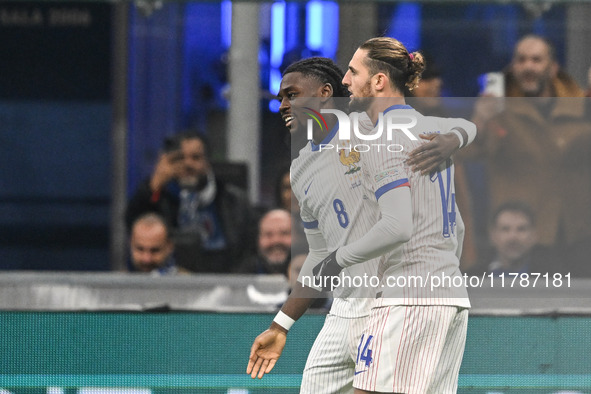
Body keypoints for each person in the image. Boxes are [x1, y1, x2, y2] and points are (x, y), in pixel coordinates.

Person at [247, 53, 476, 392]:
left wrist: (454, 137)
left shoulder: (374, 130)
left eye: (291, 95)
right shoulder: (300, 169)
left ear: (325, 92)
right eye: (280, 97)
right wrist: (281, 325)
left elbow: (462, 126)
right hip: (344, 307)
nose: (282, 104)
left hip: (388, 300)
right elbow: (318, 255)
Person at [313, 37, 472, 393]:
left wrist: (338, 259)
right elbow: (456, 226)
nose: (345, 81)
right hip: (450, 295)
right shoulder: (432, 131)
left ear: (380, 81)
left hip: (409, 296)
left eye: (354, 72)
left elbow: (397, 226)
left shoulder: (382, 138)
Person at [464, 34, 591, 277]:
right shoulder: (499, 110)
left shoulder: (578, 108)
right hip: (524, 235)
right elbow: (472, 151)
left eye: (536, 60)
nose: (528, 67)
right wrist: (481, 119)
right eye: (521, 60)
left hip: (577, 232)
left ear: (553, 68)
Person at [125, 130, 257, 273]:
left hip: (226, 282)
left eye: (195, 157)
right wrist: (154, 184)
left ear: (207, 161)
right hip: (169, 286)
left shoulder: (234, 200)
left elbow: (249, 252)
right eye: (180, 158)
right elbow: (134, 226)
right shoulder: (160, 198)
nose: (187, 164)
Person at [477, 201, 553, 276]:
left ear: (534, 236)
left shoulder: (554, 278)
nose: (513, 237)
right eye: (505, 229)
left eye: (521, 229)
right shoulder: (471, 278)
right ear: (493, 236)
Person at [237, 209, 292, 275]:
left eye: (284, 233)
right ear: (258, 239)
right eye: (268, 234)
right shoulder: (243, 274)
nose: (276, 240)